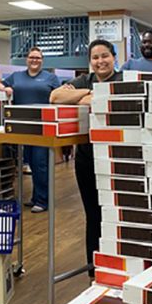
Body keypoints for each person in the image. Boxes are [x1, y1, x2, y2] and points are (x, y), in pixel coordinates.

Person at [50, 39, 123, 277]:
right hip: (87, 158)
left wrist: (83, 97)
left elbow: (113, 103)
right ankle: (95, 268)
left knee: (118, 212)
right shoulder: (85, 81)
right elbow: (55, 97)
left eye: (105, 56)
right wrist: (90, 93)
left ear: (114, 57)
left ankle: (120, 265)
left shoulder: (124, 81)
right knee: (93, 214)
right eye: (95, 57)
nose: (100, 61)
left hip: (119, 158)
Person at [0, 47, 60, 213]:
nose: (34, 60)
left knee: (40, 164)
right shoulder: (16, 76)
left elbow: (60, 96)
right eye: (32, 57)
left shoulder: (50, 78)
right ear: (27, 59)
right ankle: (35, 197)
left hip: (43, 127)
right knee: (30, 162)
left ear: (42, 60)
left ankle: (43, 200)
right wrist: (5, 89)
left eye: (38, 58)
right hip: (22, 127)